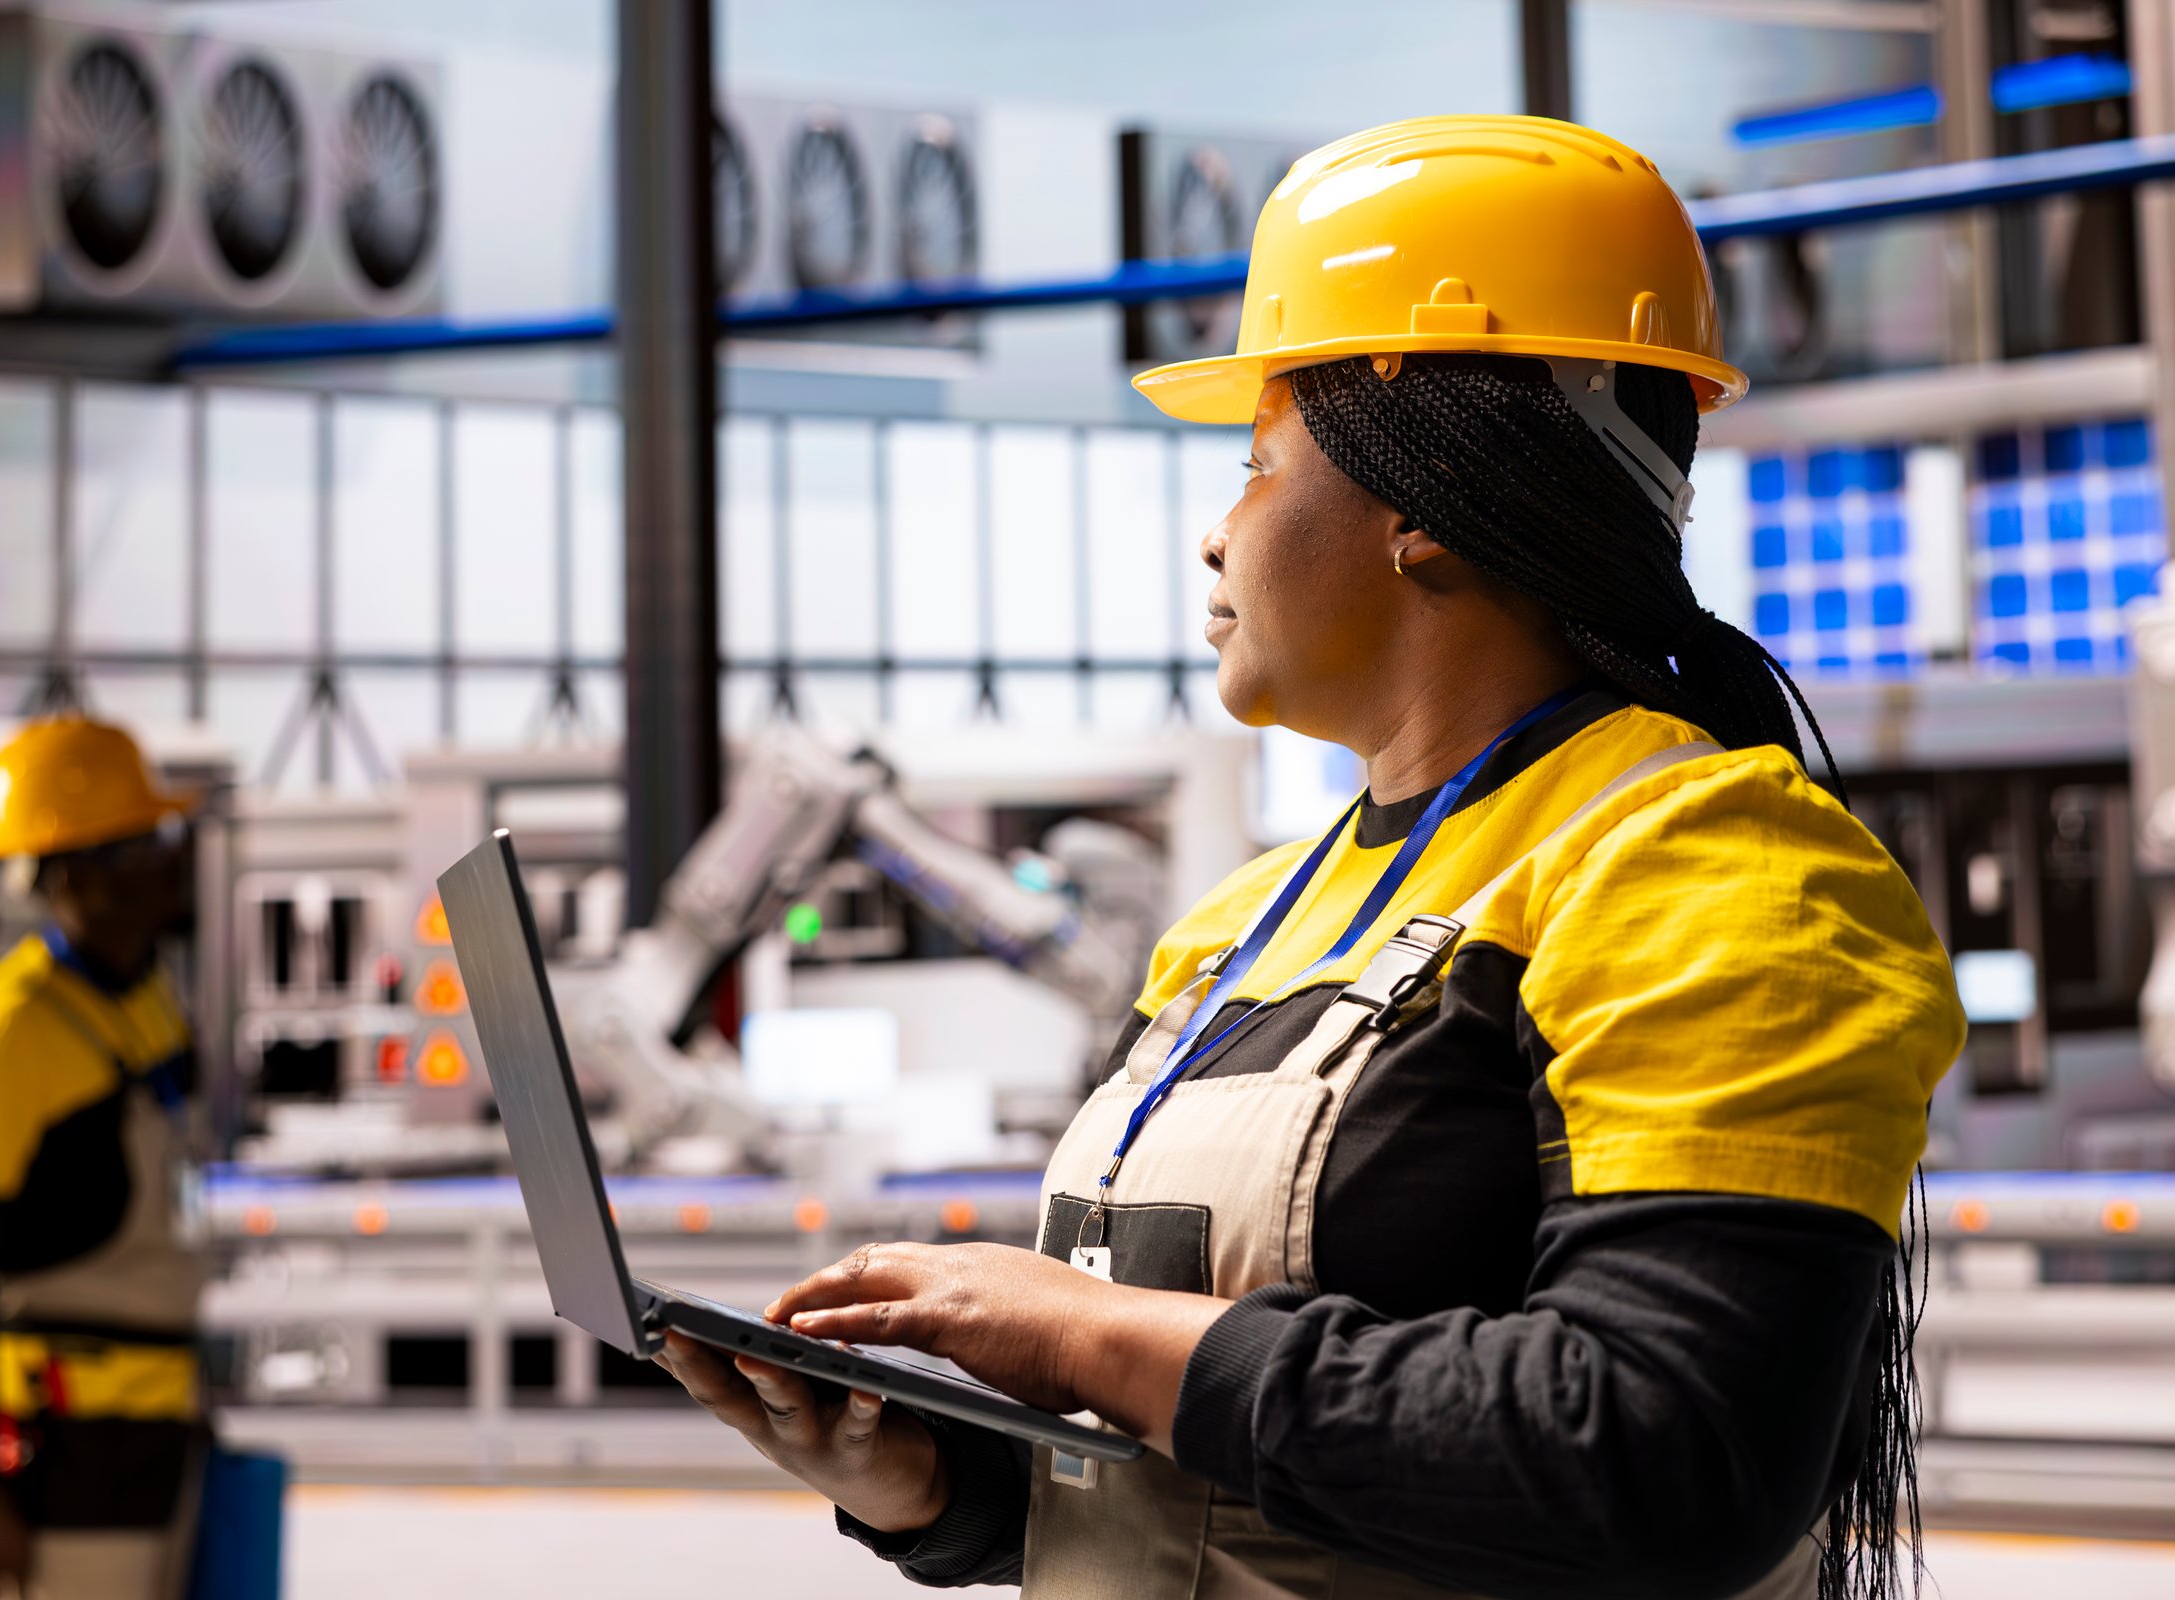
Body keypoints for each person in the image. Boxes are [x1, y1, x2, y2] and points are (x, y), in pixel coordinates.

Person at [653, 115, 1964, 1600]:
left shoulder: (1712, 869)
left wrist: (1083, 1331)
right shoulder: (1246, 925)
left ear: (1423, 505)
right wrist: (932, 1485)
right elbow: (1208, 1489)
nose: (1218, 540)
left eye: (1260, 466)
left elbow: (1669, 1455)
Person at [0, 715, 207, 1599]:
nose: (177, 858)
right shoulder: (2, 1038)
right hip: (64, 1451)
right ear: (78, 873)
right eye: (148, 841)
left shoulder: (150, 997)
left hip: (159, 1428)